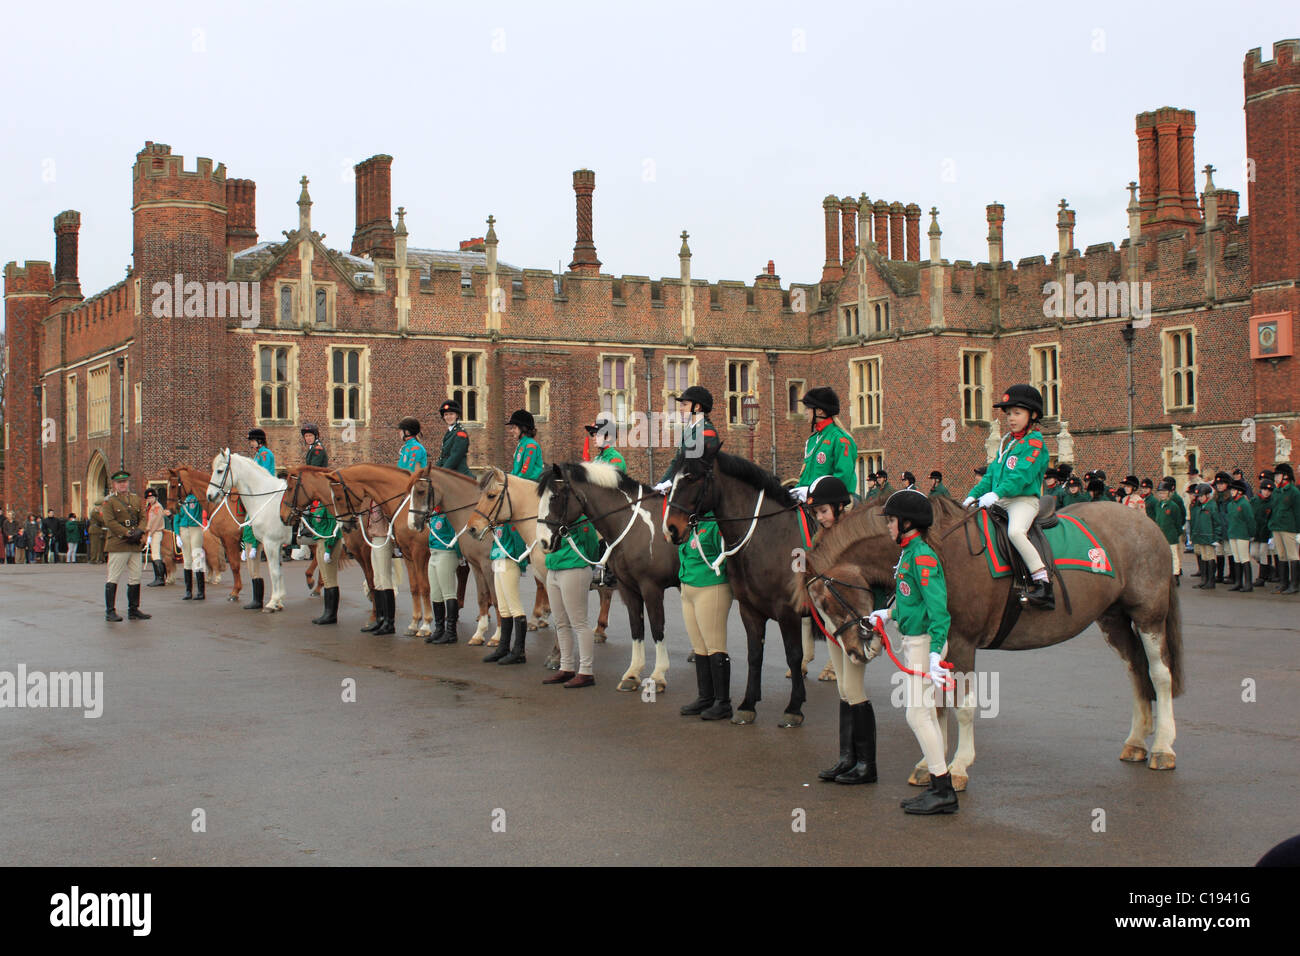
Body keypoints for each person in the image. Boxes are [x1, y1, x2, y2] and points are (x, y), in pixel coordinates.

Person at [867, 490, 957, 815]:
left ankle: (943, 788)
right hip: (914, 639)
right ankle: (939, 786)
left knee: (917, 714)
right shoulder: (909, 554)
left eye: (891, 521)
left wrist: (935, 653)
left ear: (907, 523)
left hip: (924, 643)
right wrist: (888, 615)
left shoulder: (922, 557)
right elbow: (913, 602)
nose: (888, 527)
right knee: (925, 715)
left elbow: (938, 610)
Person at [807, 475, 878, 785]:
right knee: (842, 689)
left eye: (824, 511)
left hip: (853, 624)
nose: (820, 518)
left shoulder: (852, 537)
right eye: (817, 513)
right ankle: (847, 758)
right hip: (833, 623)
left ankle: (867, 764)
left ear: (838, 507)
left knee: (854, 689)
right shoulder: (820, 539)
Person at [963, 384, 1053, 608]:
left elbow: (1021, 476)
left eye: (1017, 413)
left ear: (1032, 415)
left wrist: (997, 493)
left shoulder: (1034, 443)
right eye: (1009, 413)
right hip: (1000, 499)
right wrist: (971, 497)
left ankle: (1042, 582)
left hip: (1023, 501)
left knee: (1015, 532)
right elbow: (990, 475)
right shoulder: (1008, 443)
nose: (1011, 418)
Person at [483, 410, 542, 664]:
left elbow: (523, 477)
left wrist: (505, 484)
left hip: (525, 497)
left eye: (514, 427)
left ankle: (518, 650)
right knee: (501, 594)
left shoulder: (530, 446)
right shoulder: (520, 446)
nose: (511, 430)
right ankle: (504, 646)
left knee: (511, 593)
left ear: (523, 427)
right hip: (513, 496)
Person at [676, 485, 734, 721]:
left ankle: (723, 701)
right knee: (699, 646)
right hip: (688, 586)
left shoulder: (717, 524)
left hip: (711, 586)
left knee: (714, 644)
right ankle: (705, 697)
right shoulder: (693, 523)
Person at [540, 489, 600, 688]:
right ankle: (566, 667)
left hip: (574, 568)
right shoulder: (551, 515)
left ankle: (586, 671)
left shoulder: (580, 518)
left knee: (579, 622)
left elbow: (591, 544)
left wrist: (587, 565)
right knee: (560, 622)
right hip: (554, 568)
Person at [789, 387, 857, 502]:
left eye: (808, 408)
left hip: (832, 500)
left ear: (819, 411)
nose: (805, 412)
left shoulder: (840, 438)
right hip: (809, 498)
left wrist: (816, 494)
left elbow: (843, 477)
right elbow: (806, 477)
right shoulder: (812, 440)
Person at [583, 413, 627, 589]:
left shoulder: (615, 458)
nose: (593, 438)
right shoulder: (598, 459)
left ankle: (609, 569)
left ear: (608, 437)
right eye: (593, 434)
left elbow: (606, 487)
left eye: (597, 434)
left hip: (614, 509)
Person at [101, 470, 151, 621]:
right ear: (114, 484)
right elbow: (110, 522)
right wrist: (127, 533)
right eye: (119, 482)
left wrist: (140, 530)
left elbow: (143, 516)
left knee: (136, 576)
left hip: (134, 544)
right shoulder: (109, 502)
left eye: (125, 482)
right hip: (119, 543)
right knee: (113, 577)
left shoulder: (136, 499)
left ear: (128, 483)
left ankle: (133, 609)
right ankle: (110, 611)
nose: (122, 485)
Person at [653, 386, 720, 491]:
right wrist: (661, 483)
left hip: (699, 493)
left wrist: (670, 482)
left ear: (697, 407)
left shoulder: (707, 432)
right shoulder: (689, 430)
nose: (680, 409)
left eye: (684, 405)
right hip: (684, 488)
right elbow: (676, 462)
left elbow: (693, 465)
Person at [241, 427, 277, 610]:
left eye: (252, 441)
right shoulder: (257, 455)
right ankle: (256, 598)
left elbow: (261, 475)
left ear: (259, 441)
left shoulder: (264, 455)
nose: (251, 444)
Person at [425, 496, 463, 644]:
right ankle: (439, 629)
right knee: (435, 594)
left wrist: (459, 555)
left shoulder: (449, 513)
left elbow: (457, 534)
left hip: (446, 552)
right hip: (433, 552)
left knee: (448, 592)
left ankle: (451, 631)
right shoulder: (434, 512)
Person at [303, 498, 341, 624]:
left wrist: (329, 549)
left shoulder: (329, 505)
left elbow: (332, 528)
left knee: (330, 579)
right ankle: (327, 612)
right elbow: (315, 522)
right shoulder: (319, 505)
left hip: (327, 542)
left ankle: (331, 615)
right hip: (319, 541)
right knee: (325, 577)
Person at [1268, 463, 1300, 595]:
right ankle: (1283, 582)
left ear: (1285, 476)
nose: (1276, 477)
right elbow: (1273, 509)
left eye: (1278, 475)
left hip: (1289, 527)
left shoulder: (1293, 492)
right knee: (1281, 555)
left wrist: (1298, 530)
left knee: (1292, 555)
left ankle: (1294, 584)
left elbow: (1298, 512)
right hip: (1277, 526)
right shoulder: (1276, 491)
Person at [1151, 477, 1186, 585]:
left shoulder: (1173, 506)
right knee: (1162, 555)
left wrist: (1177, 532)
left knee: (1174, 555)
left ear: (1168, 493)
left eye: (1164, 493)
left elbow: (1177, 520)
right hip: (1161, 534)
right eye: (1160, 493)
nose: (1162, 495)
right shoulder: (1158, 505)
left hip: (1171, 535)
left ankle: (1175, 575)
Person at [174, 483, 206, 600]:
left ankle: (201, 591)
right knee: (186, 560)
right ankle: (188, 591)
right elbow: (177, 518)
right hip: (184, 529)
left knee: (197, 557)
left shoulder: (196, 498)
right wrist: (177, 534)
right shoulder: (181, 501)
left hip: (195, 528)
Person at [1224, 479, 1256, 592]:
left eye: (1234, 490)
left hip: (1242, 534)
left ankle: (1248, 583)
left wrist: (1251, 533)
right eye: (1231, 490)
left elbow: (1250, 520)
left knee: (1244, 558)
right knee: (1236, 559)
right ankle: (1238, 582)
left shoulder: (1244, 504)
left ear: (1240, 492)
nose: (1231, 492)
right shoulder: (1231, 504)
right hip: (1233, 533)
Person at [1189, 483, 1222, 590]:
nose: (1200, 498)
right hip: (1200, 535)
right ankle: (1205, 579)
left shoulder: (1212, 506)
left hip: (1209, 536)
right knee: (1203, 557)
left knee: (1210, 557)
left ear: (1207, 495)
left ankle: (1211, 581)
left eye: (1201, 496)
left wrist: (1216, 537)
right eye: (1198, 497)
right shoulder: (1199, 506)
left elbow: (1217, 522)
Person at [434, 400, 472, 476]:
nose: (448, 417)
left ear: (457, 415)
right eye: (446, 414)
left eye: (451, 414)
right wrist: (433, 470)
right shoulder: (449, 433)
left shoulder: (461, 433)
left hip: (459, 474)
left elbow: (455, 457)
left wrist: (442, 471)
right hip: (449, 472)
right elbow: (443, 457)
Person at [1251, 480, 1276, 587]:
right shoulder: (1254, 501)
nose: (1267, 492)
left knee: (1262, 553)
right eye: (1265, 489)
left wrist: (1271, 535)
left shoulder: (1272, 503)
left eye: (1269, 490)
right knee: (1253, 553)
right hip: (1256, 532)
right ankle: (1269, 569)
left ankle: (1261, 577)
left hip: (1266, 532)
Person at [144, 489, 167, 587]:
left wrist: (150, 534)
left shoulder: (157, 507)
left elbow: (156, 521)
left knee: (156, 555)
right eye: (148, 498)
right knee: (155, 554)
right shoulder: (150, 507)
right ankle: (158, 577)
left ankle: (160, 578)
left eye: (152, 497)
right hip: (152, 532)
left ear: (156, 498)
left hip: (156, 532)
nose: (150, 499)